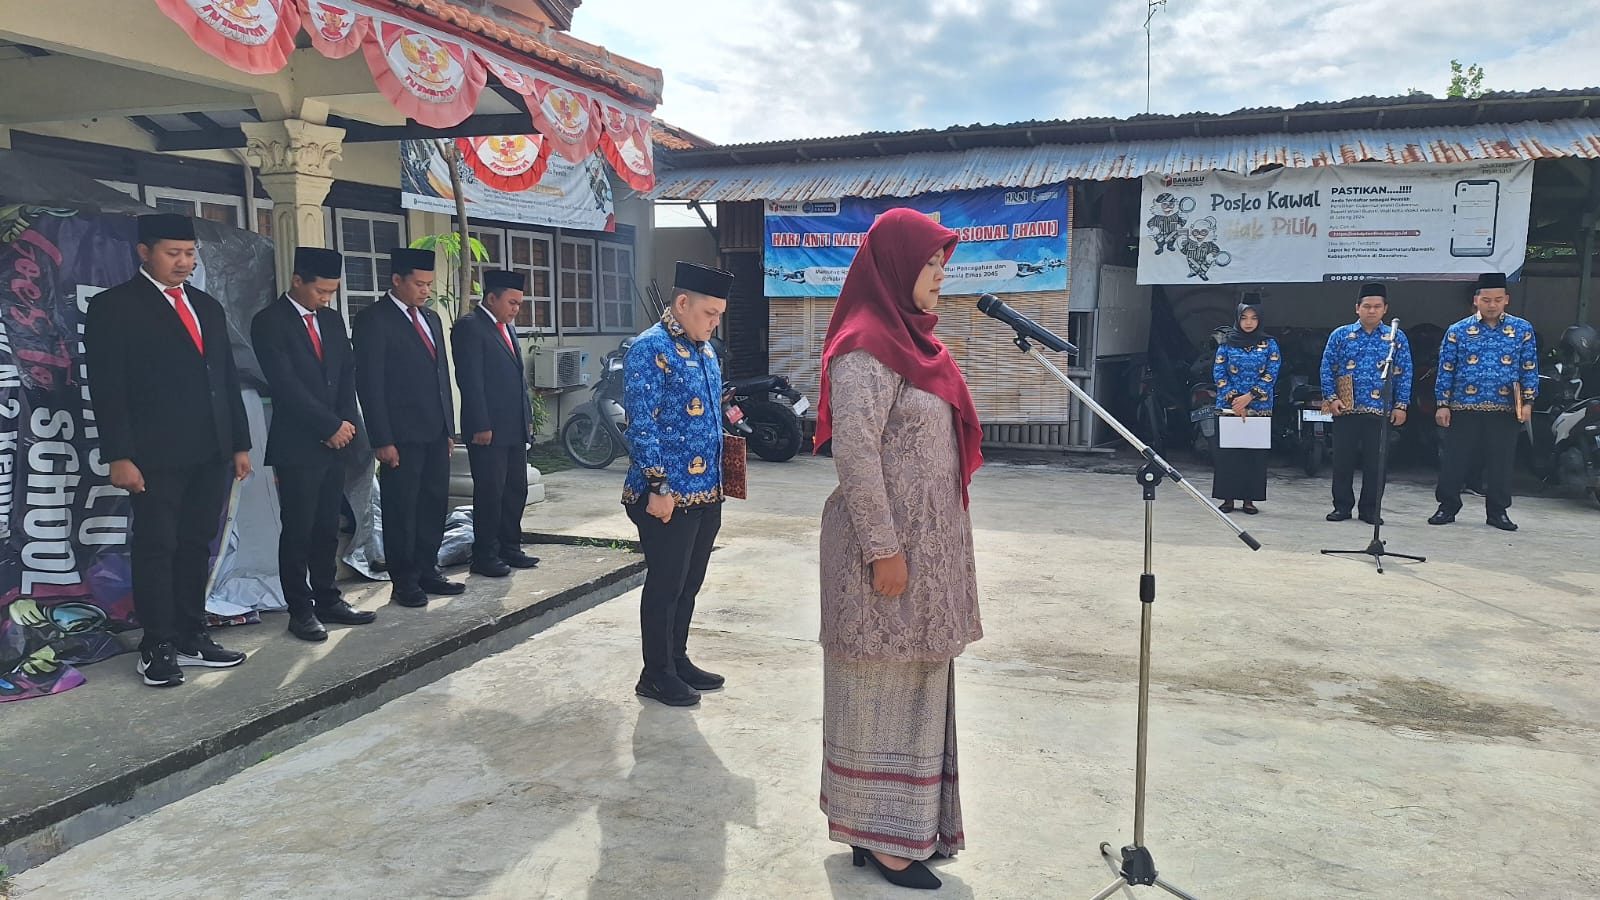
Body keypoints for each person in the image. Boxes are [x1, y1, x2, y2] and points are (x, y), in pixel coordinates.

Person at [815, 208, 985, 892]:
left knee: (918, 687)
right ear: (894, 265)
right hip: (882, 559)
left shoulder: (915, 344)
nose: (941, 274)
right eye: (931, 261)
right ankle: (881, 836)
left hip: (929, 553)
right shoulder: (864, 346)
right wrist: (885, 549)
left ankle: (894, 828)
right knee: (878, 689)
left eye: (945, 262)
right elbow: (855, 458)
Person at [83, 213, 253, 687]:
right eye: (172, 254)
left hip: (211, 450)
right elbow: (108, 387)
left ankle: (191, 633)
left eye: (189, 254)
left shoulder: (206, 306)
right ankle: (156, 642)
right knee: (158, 545)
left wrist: (239, 443)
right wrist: (119, 454)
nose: (184, 263)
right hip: (153, 454)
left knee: (197, 544)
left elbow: (225, 378)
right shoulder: (114, 307)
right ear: (144, 253)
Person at [621, 261, 732, 707]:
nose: (715, 321)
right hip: (664, 494)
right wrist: (658, 486)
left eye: (720, 314)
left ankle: (677, 659)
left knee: (689, 583)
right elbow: (641, 425)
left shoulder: (705, 350)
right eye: (709, 312)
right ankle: (656, 672)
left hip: (706, 489)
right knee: (665, 585)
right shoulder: (650, 349)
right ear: (682, 304)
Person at [251, 247, 376, 642]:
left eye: (332, 292)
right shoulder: (270, 322)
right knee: (299, 529)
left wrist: (345, 425)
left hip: (336, 441)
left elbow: (346, 375)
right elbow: (284, 384)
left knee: (327, 527)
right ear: (297, 280)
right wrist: (327, 425)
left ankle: (328, 598)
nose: (326, 299)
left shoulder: (333, 321)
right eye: (320, 291)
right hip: (298, 445)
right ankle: (300, 609)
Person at [352, 248, 463, 607]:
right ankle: (405, 581)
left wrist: (449, 428)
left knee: (434, 503)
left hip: (435, 431)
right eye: (419, 283)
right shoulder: (374, 319)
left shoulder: (431, 318)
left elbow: (441, 376)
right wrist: (382, 439)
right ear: (396, 280)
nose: (425, 290)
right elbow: (370, 383)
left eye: (429, 284)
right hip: (400, 435)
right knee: (403, 507)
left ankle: (429, 569)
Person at [1429, 272, 1537, 531]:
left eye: (1498, 299)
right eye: (1486, 299)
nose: (1492, 304)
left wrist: (1528, 402)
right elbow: (1446, 369)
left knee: (1501, 462)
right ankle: (1447, 506)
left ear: (1506, 300)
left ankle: (1498, 512)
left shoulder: (1521, 330)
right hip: (1464, 406)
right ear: (1476, 300)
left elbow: (1528, 368)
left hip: (1504, 408)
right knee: (1455, 459)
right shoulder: (1458, 330)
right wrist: (1442, 403)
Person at [451, 269, 541, 578]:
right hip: (487, 429)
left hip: (513, 427)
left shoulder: (507, 328)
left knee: (515, 489)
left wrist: (527, 420)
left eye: (519, 304)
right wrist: (480, 424)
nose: (516, 309)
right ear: (491, 298)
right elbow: (470, 380)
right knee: (490, 492)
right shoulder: (470, 328)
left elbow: (518, 380)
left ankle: (510, 547)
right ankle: (485, 555)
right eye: (512, 303)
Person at [1320, 283, 1412, 525]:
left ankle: (1370, 509)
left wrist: (1401, 405)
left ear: (1385, 309)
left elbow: (1405, 372)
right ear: (1357, 308)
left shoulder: (1395, 337)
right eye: (1367, 306)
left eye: (1377, 307)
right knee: (1342, 461)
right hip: (1346, 408)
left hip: (1380, 409)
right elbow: (1327, 368)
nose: (1371, 311)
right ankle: (1341, 507)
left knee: (1376, 464)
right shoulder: (1340, 335)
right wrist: (1332, 398)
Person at [1211, 295, 1280, 514]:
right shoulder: (1227, 342)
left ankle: (1249, 500)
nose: (1248, 322)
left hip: (1258, 407)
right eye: (1244, 318)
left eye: (1253, 318)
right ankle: (1228, 499)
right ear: (1237, 319)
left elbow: (1272, 373)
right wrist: (1234, 400)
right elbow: (1219, 372)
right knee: (1228, 455)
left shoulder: (1270, 344)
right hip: (1229, 407)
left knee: (1254, 455)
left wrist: (1249, 397)